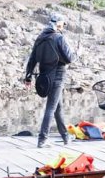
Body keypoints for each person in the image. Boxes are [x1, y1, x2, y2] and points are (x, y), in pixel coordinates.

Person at [24, 13, 76, 148]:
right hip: (58, 76)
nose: (63, 28)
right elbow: (69, 58)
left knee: (58, 107)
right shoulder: (59, 38)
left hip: (44, 77)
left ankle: (65, 136)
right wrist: (76, 53)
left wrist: (28, 77)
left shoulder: (41, 37)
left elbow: (32, 58)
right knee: (51, 107)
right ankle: (42, 139)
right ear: (58, 24)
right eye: (62, 25)